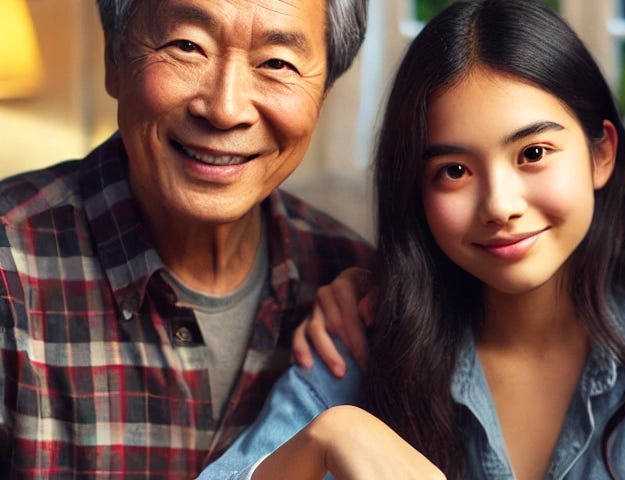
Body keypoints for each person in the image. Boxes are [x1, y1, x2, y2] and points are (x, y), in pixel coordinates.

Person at [201, 0, 625, 478]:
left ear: (601, 153)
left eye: (533, 153)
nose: (500, 206)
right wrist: (332, 436)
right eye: (454, 171)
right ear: (417, 190)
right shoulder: (363, 342)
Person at [0, 0, 373, 478]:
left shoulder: (355, 289)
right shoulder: (12, 270)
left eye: (276, 63)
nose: (225, 109)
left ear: (324, 92)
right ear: (115, 61)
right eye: (187, 46)